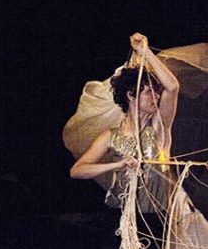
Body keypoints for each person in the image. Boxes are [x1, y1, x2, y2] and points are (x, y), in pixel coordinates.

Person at [70, 33, 179, 212]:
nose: (157, 96)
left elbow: (173, 87)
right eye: (148, 91)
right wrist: (116, 165)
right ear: (131, 95)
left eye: (156, 91)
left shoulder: (159, 126)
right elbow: (77, 171)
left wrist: (145, 51)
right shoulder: (111, 136)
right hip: (120, 215)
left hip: (157, 217)